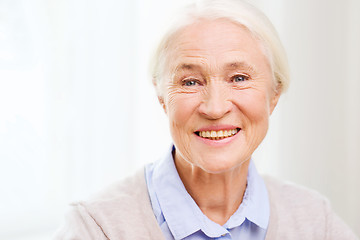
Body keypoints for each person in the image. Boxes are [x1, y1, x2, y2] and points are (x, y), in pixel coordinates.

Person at [54, 0, 358, 239]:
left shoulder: (315, 221)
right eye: (190, 82)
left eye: (239, 78)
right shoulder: (96, 228)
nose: (214, 108)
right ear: (162, 96)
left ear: (274, 94)